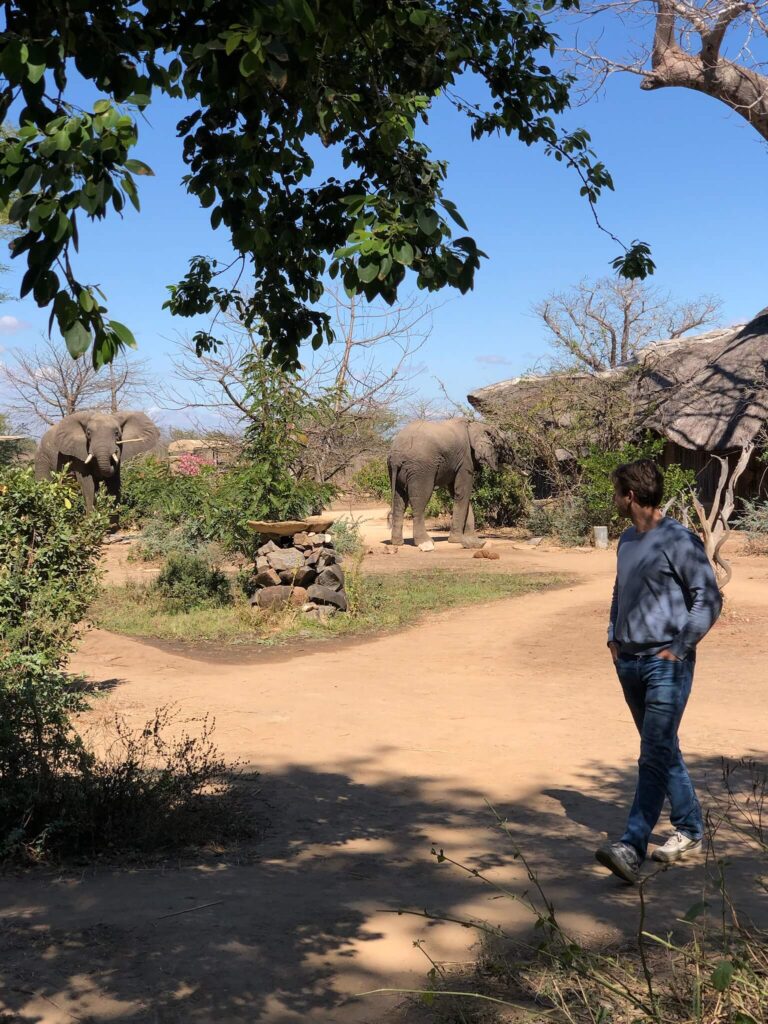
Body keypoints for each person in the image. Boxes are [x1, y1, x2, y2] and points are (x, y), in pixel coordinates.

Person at [596, 458, 722, 884]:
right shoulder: (626, 540)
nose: (614, 500)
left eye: (616, 492)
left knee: (652, 753)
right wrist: (613, 633)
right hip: (627, 660)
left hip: (665, 665)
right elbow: (620, 589)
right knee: (662, 748)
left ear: (630, 496)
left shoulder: (679, 540)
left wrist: (680, 648)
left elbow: (709, 598)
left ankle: (632, 845)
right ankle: (688, 828)